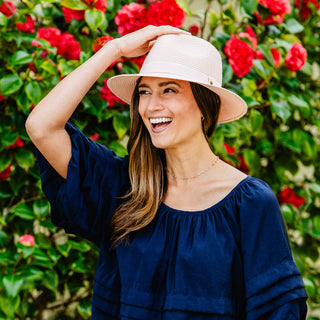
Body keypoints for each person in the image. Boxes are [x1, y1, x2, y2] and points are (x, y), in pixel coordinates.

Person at [26, 25, 308, 319]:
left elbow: (278, 312)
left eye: (169, 90)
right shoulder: (124, 187)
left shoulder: (249, 203)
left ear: (205, 104)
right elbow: (41, 127)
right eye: (145, 91)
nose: (150, 106)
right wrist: (115, 49)